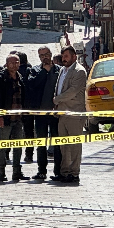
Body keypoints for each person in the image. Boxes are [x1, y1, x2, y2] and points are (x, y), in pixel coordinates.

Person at [25, 46, 62, 180]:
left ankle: (58, 171)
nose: (44, 57)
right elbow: (31, 85)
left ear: (51, 54)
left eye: (46, 54)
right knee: (41, 143)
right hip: (40, 113)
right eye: (41, 55)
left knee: (57, 143)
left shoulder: (59, 70)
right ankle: (42, 171)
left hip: (55, 113)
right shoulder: (35, 70)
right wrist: (44, 73)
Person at [52, 46, 88, 184]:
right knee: (64, 146)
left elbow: (72, 91)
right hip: (62, 113)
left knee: (74, 146)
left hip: (74, 114)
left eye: (66, 56)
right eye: (63, 56)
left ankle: (74, 173)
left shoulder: (79, 71)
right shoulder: (62, 70)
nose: (64, 58)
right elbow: (59, 88)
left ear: (74, 56)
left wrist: (57, 99)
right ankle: (64, 172)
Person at [0, 54, 27, 182]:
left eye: (17, 62)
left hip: (18, 118)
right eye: (12, 62)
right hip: (5, 119)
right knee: (3, 145)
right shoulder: (1, 78)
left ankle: (17, 171)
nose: (15, 64)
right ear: (6, 64)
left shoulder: (20, 77)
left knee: (18, 145)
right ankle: (1, 172)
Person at [17, 52, 36, 164]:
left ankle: (7, 153)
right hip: (29, 105)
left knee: (14, 131)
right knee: (29, 131)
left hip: (17, 105)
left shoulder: (15, 72)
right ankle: (29, 155)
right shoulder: (31, 70)